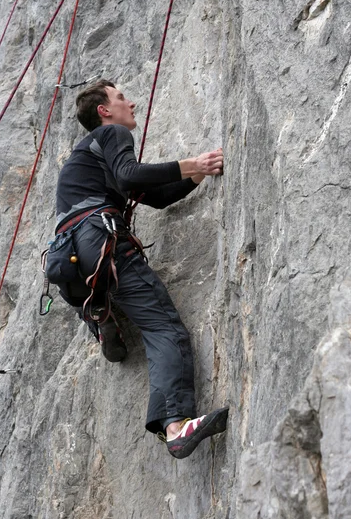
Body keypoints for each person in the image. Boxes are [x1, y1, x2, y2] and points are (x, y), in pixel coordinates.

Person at [54, 79, 228, 459]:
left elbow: (157, 197)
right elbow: (133, 176)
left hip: (72, 258)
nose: (130, 103)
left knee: (146, 318)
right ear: (104, 110)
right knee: (163, 327)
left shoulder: (87, 161)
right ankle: (176, 424)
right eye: (120, 98)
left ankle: (102, 315)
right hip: (102, 238)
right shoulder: (112, 133)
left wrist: (197, 174)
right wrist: (191, 162)